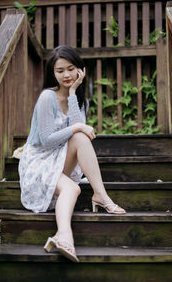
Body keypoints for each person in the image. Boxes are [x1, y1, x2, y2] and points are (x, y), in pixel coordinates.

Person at [18, 45, 125, 263]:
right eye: (60, 71)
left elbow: (79, 132)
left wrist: (74, 93)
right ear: (53, 73)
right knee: (73, 187)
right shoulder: (47, 98)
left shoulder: (79, 99)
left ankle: (99, 195)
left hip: (59, 159)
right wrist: (77, 128)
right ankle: (65, 236)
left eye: (71, 68)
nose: (66, 75)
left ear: (80, 70)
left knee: (79, 137)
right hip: (38, 162)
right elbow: (46, 141)